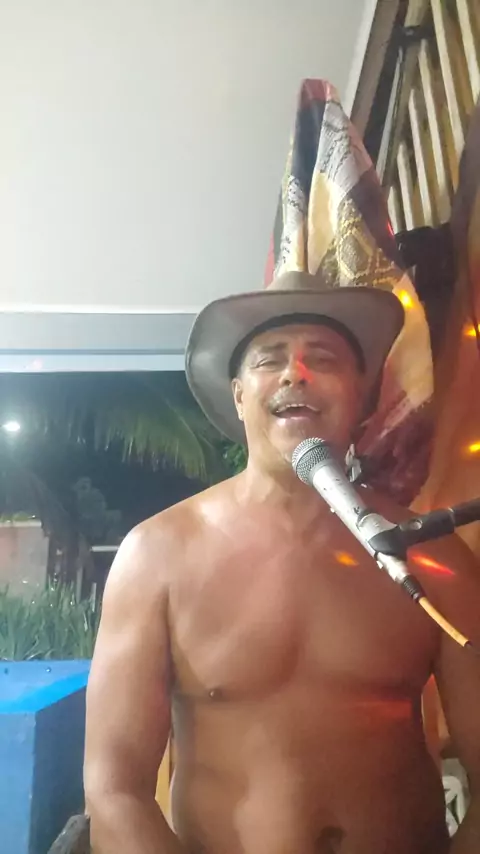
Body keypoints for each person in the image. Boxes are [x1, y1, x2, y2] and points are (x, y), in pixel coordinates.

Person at [84, 271, 480, 854]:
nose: (296, 372)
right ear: (239, 396)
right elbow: (114, 789)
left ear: (362, 394)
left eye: (323, 358)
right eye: (270, 359)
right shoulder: (157, 556)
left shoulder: (431, 556)